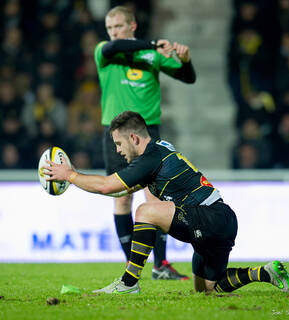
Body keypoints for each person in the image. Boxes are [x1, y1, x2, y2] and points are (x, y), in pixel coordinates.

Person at [44, 111, 289, 295]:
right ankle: (265, 272)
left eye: (119, 143)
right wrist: (76, 177)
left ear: (134, 138)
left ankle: (128, 283)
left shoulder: (150, 157)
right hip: (220, 220)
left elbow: (108, 185)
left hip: (209, 217)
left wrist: (69, 175)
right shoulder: (158, 152)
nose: (118, 151)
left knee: (145, 210)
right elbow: (115, 192)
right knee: (208, 288)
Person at [94, 5, 196, 279]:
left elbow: (188, 78)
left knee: (156, 199)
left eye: (118, 27)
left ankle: (161, 265)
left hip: (148, 133)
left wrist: (185, 61)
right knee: (122, 199)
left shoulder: (152, 56)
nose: (113, 33)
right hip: (115, 134)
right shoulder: (105, 52)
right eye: (110, 28)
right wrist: (153, 42)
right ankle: (133, 267)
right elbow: (111, 47)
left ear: (132, 26)